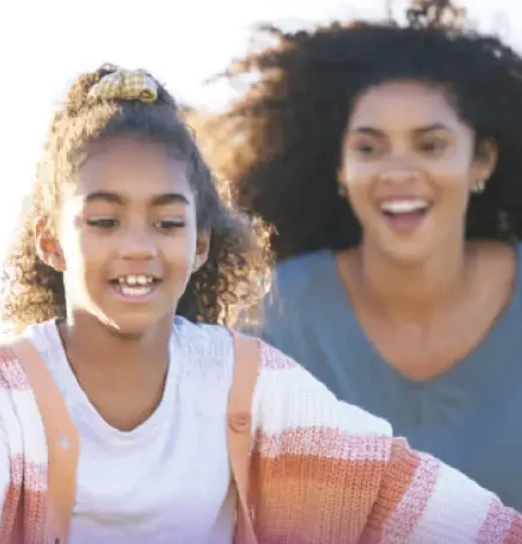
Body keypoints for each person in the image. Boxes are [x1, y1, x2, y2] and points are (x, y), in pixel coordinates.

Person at [0, 64, 522, 544]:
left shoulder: (247, 384)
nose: (138, 245)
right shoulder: (1, 393)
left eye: (166, 221)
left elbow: (399, 492)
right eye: (105, 220)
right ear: (51, 241)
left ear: (198, 245)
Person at [199, 0, 522, 510]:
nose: (398, 172)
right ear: (340, 168)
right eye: (370, 148)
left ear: (481, 159)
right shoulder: (275, 313)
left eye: (430, 145)